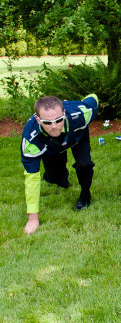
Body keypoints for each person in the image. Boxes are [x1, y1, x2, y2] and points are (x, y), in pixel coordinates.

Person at [21, 94, 99, 235]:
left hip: (76, 136)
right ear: (38, 120)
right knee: (53, 177)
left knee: (85, 164)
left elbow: (93, 98)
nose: (54, 126)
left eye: (58, 120)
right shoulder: (31, 137)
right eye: (48, 122)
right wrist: (33, 219)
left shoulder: (81, 113)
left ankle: (85, 195)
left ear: (64, 113)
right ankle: (61, 178)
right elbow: (31, 177)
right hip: (48, 145)